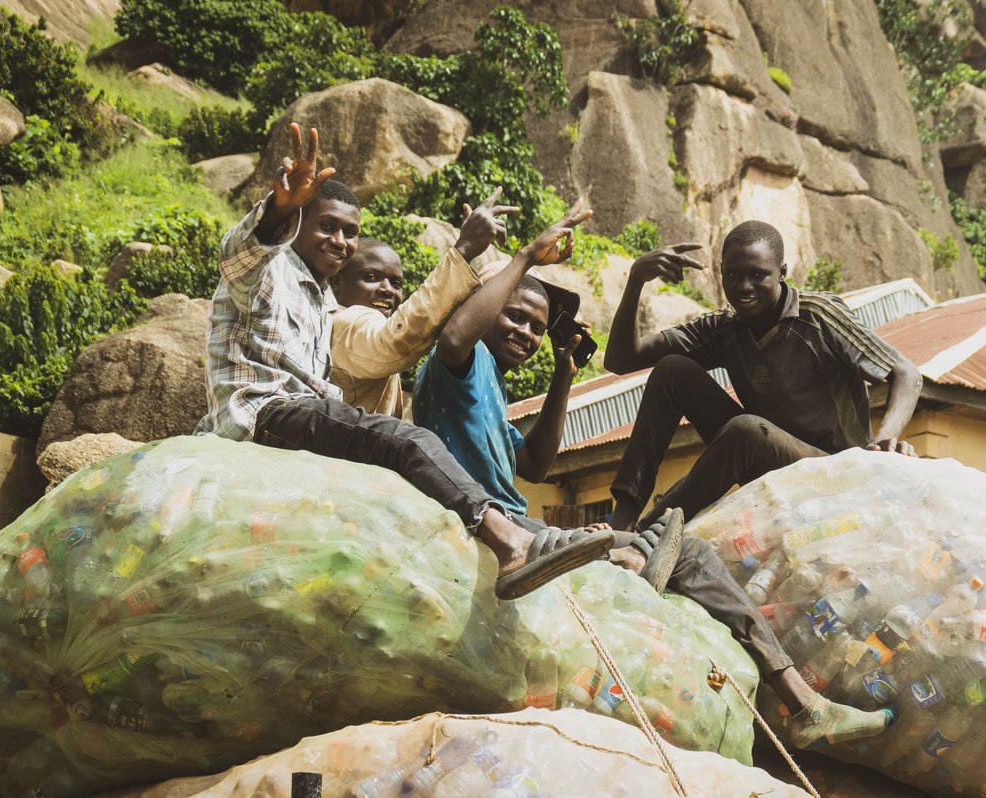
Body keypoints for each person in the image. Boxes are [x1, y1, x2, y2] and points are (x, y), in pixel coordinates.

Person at [410, 259, 894, 748]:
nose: (526, 333)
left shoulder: (491, 391)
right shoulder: (459, 366)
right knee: (691, 548)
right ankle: (798, 697)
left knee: (689, 543)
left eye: (536, 327)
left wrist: (563, 372)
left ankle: (642, 545)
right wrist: (533, 255)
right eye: (514, 317)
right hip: (501, 522)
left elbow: (534, 465)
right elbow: (455, 340)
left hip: (827, 465)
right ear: (482, 310)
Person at [195, 122, 614, 600]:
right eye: (326, 225)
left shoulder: (320, 303)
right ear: (297, 225)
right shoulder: (271, 270)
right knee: (404, 442)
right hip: (261, 416)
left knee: (391, 453)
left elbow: (533, 463)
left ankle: (617, 553)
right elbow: (241, 254)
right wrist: (278, 211)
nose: (339, 240)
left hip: (295, 420)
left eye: (350, 232)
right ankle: (510, 542)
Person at [603, 220, 923, 534]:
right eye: (733, 275)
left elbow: (907, 373)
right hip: (766, 461)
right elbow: (621, 360)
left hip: (833, 473)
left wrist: (887, 434)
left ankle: (650, 532)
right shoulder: (725, 327)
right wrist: (636, 280)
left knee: (746, 430)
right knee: (672, 370)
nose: (744, 287)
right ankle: (623, 522)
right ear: (721, 273)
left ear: (782, 273)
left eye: (758, 275)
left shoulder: (818, 315)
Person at [328, 188, 512, 419]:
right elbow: (398, 338)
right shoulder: (345, 323)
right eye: (371, 277)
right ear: (336, 283)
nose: (387, 290)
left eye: (396, 283)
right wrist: (465, 248)